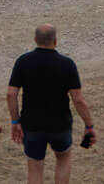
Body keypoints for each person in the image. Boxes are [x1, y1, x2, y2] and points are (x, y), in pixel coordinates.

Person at [7, 23, 96, 184]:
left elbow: (11, 94)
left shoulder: (23, 61)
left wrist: (15, 120)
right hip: (60, 124)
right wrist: (89, 125)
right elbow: (79, 100)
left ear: (35, 40)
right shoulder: (67, 64)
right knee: (63, 158)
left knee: (35, 166)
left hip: (32, 123)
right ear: (55, 41)